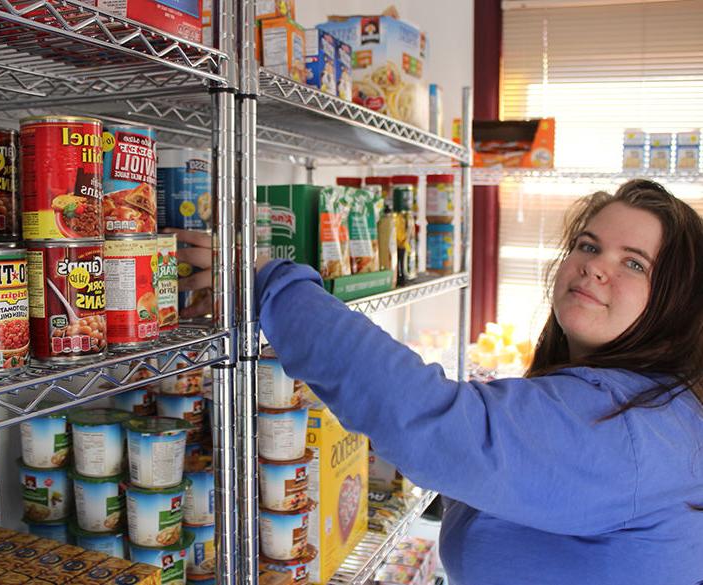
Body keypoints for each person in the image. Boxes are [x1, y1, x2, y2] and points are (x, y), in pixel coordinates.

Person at [179, 179, 703, 584]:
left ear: (674, 302)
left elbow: (425, 421)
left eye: (633, 263)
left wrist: (271, 281)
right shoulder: (641, 404)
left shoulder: (629, 430)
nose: (595, 268)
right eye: (588, 247)